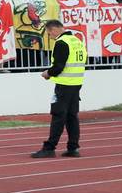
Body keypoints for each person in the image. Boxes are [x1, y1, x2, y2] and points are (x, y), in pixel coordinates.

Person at [31, 20, 85, 158]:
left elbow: (58, 66)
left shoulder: (61, 43)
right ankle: (73, 148)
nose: (50, 36)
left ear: (54, 29)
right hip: (76, 83)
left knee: (58, 116)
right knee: (72, 116)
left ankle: (49, 147)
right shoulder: (77, 41)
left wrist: (47, 73)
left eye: (49, 34)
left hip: (64, 84)